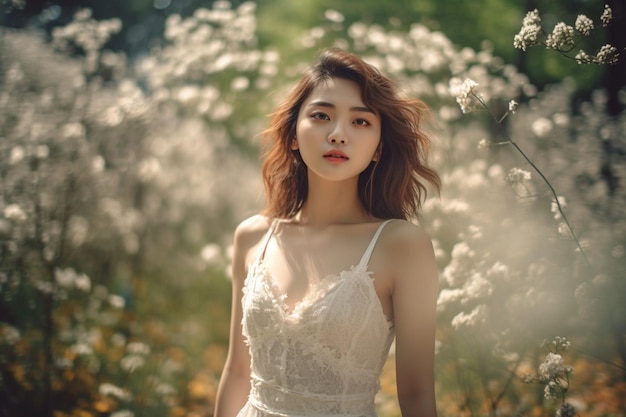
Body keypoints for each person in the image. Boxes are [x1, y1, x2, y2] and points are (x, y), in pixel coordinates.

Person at [214, 47, 440, 417]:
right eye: (321, 116)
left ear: (379, 148)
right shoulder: (253, 236)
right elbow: (237, 372)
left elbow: (416, 395)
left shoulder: (401, 246)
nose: (337, 134)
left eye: (360, 122)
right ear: (291, 135)